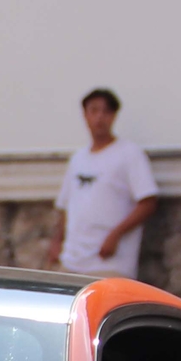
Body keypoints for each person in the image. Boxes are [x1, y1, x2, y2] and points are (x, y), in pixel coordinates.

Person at [44, 88, 158, 279]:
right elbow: (66, 205)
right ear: (85, 115)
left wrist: (116, 235)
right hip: (72, 261)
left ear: (113, 116)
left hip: (109, 263)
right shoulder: (78, 159)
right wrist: (57, 242)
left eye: (105, 111)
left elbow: (148, 202)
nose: (99, 118)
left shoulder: (129, 154)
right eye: (94, 110)